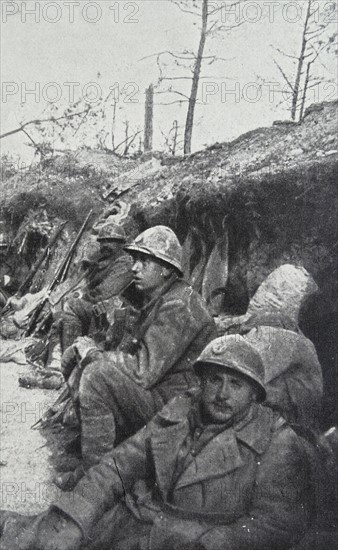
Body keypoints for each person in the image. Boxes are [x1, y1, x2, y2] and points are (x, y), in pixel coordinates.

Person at [0, 335, 317, 550]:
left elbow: (277, 523)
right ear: (201, 382)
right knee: (35, 534)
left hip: (192, 540)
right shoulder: (184, 408)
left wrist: (215, 541)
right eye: (214, 380)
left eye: (236, 384)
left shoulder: (276, 440)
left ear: (254, 393)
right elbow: (119, 465)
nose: (222, 393)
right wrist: (75, 516)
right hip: (135, 521)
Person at [55, 225, 216, 489]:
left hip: (179, 405)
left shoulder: (179, 306)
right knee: (81, 357)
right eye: (134, 260)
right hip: (162, 393)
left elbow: (142, 371)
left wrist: (95, 355)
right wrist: (90, 351)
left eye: (144, 261)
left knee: (97, 376)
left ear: (165, 269)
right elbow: (130, 352)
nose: (134, 268)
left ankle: (93, 478)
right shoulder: (158, 298)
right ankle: (94, 450)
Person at [45, 222, 133, 368]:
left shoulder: (125, 263)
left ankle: (70, 364)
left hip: (113, 313)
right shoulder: (103, 263)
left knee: (71, 306)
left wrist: (82, 298)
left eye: (110, 241)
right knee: (60, 318)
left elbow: (105, 292)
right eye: (102, 241)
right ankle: (54, 364)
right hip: (100, 310)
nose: (104, 245)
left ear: (121, 244)